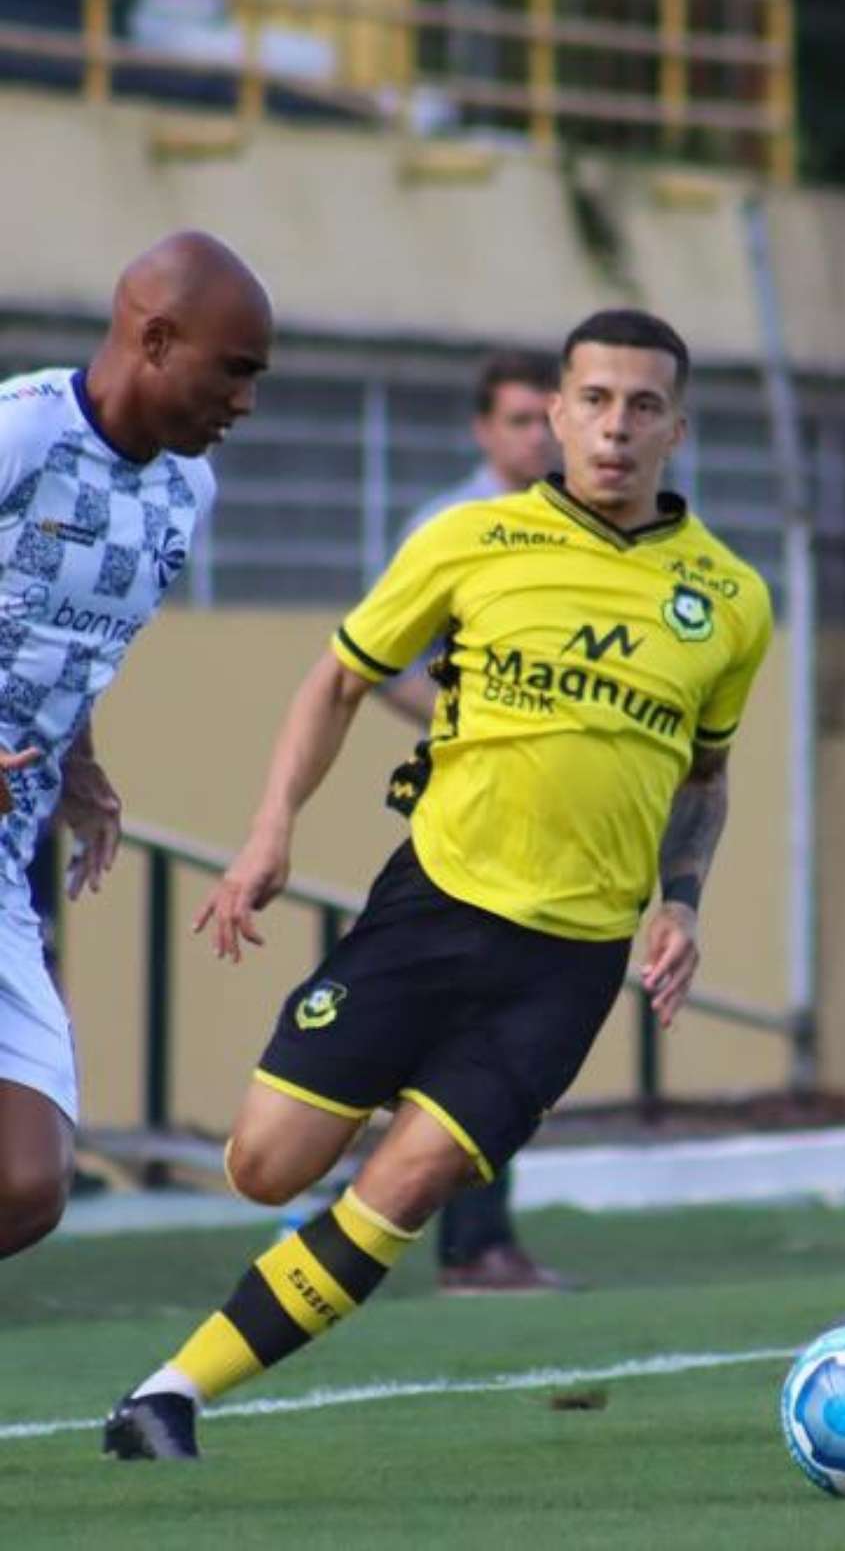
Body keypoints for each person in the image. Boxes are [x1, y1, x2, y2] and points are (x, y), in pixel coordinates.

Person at [104, 307, 772, 1462]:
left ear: (678, 427)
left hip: (566, 966)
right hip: (433, 907)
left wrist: (684, 903)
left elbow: (705, 779)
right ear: (556, 414)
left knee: (407, 1190)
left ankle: (167, 1397)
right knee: (265, 1166)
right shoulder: (469, 540)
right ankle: (374, 1084)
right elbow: (338, 680)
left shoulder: (730, 599)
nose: (617, 428)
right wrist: (269, 835)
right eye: (595, 401)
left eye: (644, 406)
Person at [0, 231, 273, 1260]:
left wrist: (76, 763)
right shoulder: (22, 433)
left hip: (7, 852)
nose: (245, 403)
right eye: (234, 371)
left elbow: (63, 634)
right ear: (157, 340)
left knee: (27, 1182)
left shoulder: (184, 493)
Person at [382, 348, 571, 1294]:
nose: (537, 435)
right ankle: (462, 1239)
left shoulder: (579, 530)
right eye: (519, 421)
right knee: (469, 1027)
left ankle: (478, 1237)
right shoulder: (453, 526)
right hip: (463, 818)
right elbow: (382, 663)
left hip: (545, 826)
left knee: (515, 1024)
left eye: (548, 418)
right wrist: (475, 729)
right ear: (482, 430)